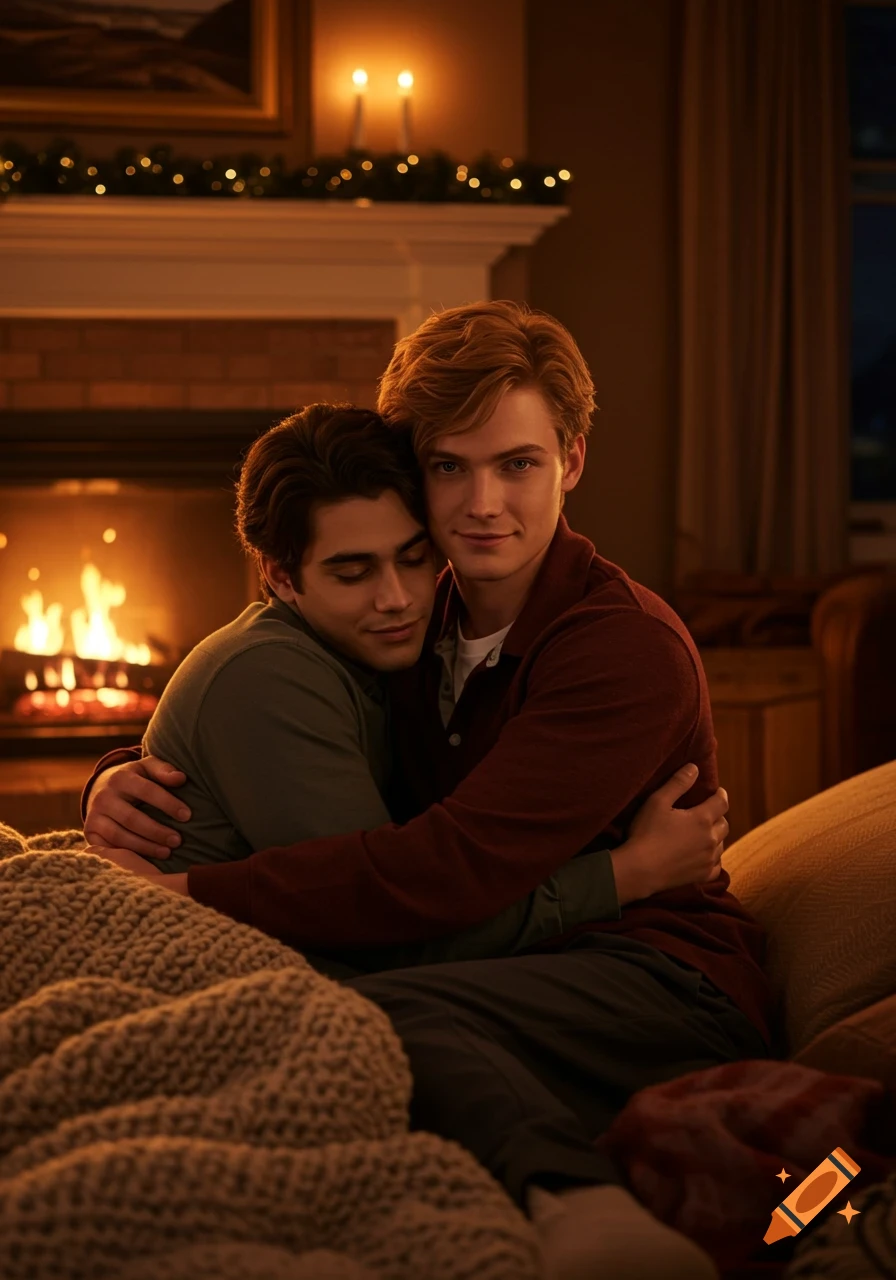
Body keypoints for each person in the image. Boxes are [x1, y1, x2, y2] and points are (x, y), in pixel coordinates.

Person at [84, 301, 771, 1280]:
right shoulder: (414, 608)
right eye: (449, 466)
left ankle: (575, 1203)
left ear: (570, 461)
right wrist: (121, 771)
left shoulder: (620, 648)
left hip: (655, 975)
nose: (482, 501)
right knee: (319, 1009)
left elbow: (442, 867)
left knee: (366, 1012)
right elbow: (267, 695)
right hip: (502, 952)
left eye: (517, 463)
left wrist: (195, 894)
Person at [106, 399, 726, 974]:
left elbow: (415, 884)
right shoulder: (274, 672)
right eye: (352, 572)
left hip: (639, 967)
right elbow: (391, 919)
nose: (397, 599)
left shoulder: (431, 633)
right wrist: (625, 873)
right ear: (280, 575)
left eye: (412, 558)